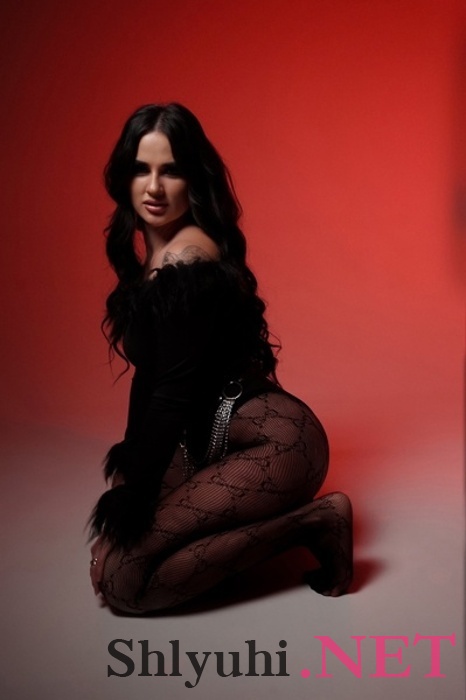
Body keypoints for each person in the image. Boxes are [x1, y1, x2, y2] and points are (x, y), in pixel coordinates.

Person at [88, 103, 353, 614]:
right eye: (142, 169)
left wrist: (129, 506)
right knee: (121, 565)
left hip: (277, 444)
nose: (154, 188)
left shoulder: (189, 257)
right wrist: (126, 488)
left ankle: (315, 523)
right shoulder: (152, 257)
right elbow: (149, 378)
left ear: (193, 178)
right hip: (206, 439)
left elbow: (170, 394)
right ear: (125, 177)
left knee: (125, 587)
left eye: (171, 171)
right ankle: (289, 525)